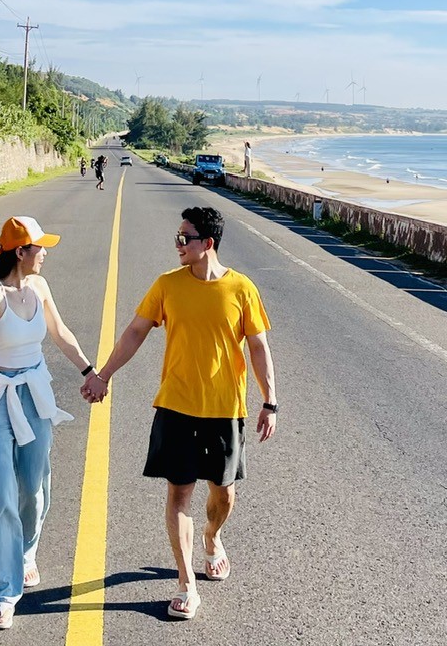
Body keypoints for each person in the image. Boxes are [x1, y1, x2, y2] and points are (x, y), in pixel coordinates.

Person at [81, 205, 277, 620]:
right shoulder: (167, 285)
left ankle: (212, 535)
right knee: (179, 494)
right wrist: (104, 375)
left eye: (184, 238)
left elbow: (258, 347)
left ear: (207, 244)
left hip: (225, 409)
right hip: (176, 406)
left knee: (223, 494)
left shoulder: (241, 289)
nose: (177, 245)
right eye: (177, 237)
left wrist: (270, 400)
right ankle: (186, 582)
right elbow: (135, 331)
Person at [0, 216, 97, 631]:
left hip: (34, 395)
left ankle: (25, 553)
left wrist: (90, 371)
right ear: (20, 252)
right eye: (40, 248)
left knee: (35, 487)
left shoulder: (38, 287)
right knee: (1, 493)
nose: (45, 254)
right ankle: (2, 593)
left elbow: (59, 333)